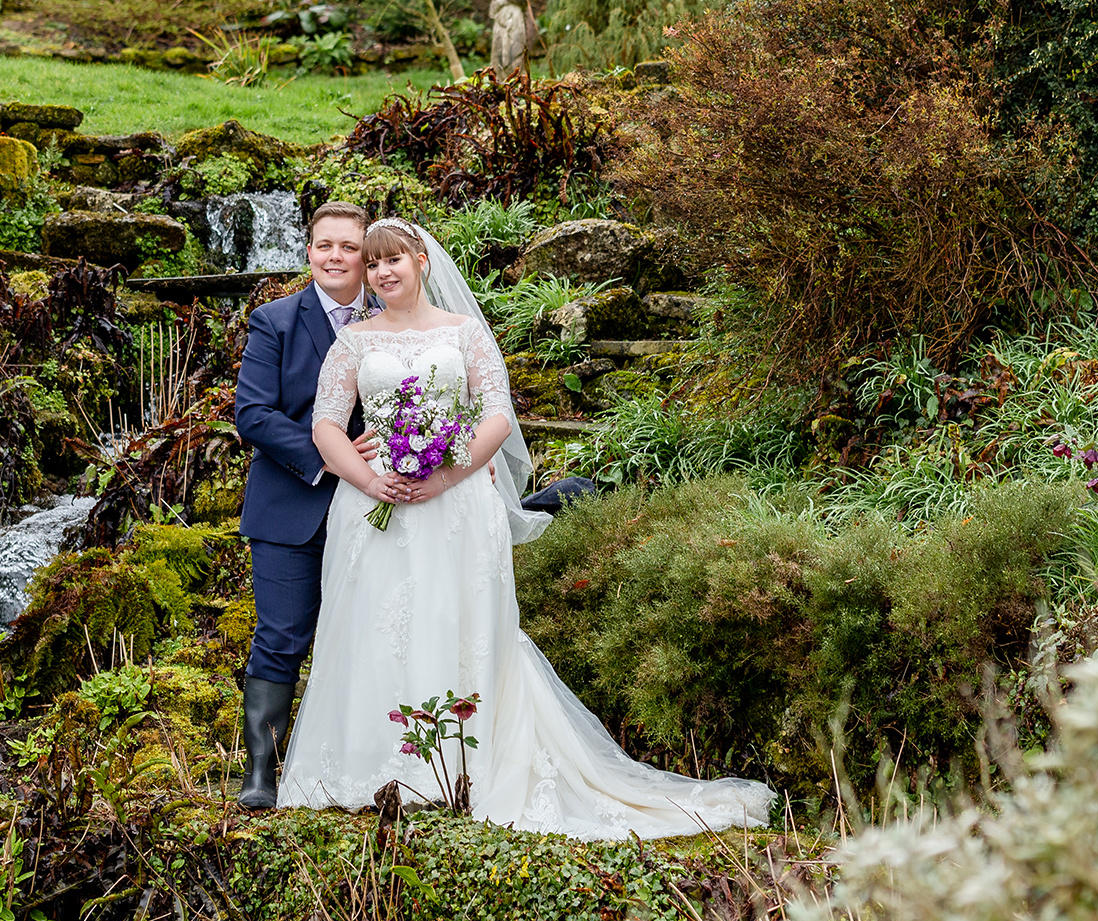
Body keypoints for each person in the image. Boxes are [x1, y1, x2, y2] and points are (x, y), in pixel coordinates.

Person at [276, 218, 775, 839]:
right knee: (376, 623)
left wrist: (443, 475)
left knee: (453, 620)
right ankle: (372, 768)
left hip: (453, 502)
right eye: (373, 264)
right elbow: (326, 427)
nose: (383, 272)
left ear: (422, 263)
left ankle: (457, 768)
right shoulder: (351, 343)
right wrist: (371, 480)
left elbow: (495, 417)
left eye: (394, 260)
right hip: (373, 504)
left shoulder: (463, 335)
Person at [233, 202, 380, 810]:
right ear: (309, 251)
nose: (336, 257)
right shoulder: (276, 321)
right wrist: (333, 454)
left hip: (381, 505)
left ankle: (367, 762)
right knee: (281, 635)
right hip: (292, 503)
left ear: (367, 255)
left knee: (371, 636)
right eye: (325, 246)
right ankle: (262, 769)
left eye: (349, 247)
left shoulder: (394, 316)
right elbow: (253, 414)